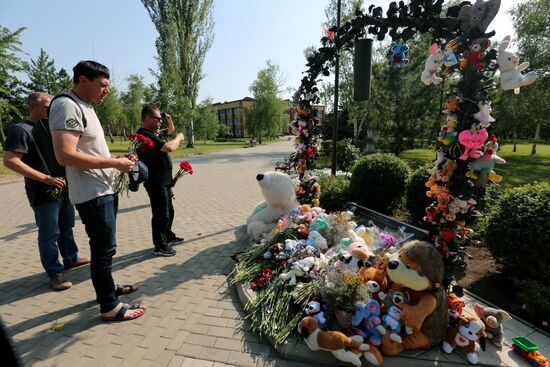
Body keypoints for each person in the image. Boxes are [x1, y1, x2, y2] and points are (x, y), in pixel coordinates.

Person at [49, 60, 145, 322]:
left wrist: (117, 158)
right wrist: (115, 163)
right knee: (102, 249)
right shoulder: (66, 105)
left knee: (106, 248)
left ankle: (107, 290)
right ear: (83, 80)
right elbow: (65, 155)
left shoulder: (85, 106)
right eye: (102, 85)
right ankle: (109, 306)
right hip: (92, 193)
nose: (107, 90)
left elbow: (90, 151)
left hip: (103, 187)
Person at [3, 92, 90, 291]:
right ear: (32, 106)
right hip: (42, 191)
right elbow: (10, 160)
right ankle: (54, 272)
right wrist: (45, 178)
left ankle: (70, 258)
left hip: (63, 186)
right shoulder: (21, 130)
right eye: (47, 106)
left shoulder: (51, 127)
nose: (52, 109)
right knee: (49, 233)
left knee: (66, 225)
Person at [136, 105, 185, 257]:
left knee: (169, 211)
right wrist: (179, 138)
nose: (160, 122)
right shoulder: (145, 135)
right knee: (160, 214)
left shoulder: (152, 133)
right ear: (148, 119)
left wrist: (168, 118)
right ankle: (160, 245)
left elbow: (169, 131)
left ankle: (168, 235)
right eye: (157, 119)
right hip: (155, 181)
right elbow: (170, 147)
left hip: (163, 181)